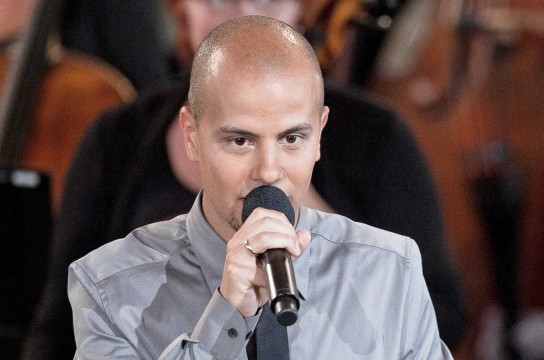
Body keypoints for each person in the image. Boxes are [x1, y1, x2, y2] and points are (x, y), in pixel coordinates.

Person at [21, 1, 466, 359]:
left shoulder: (392, 268)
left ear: (320, 136)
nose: (268, 170)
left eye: (292, 138)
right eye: (239, 141)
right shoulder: (108, 287)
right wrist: (224, 319)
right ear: (192, 136)